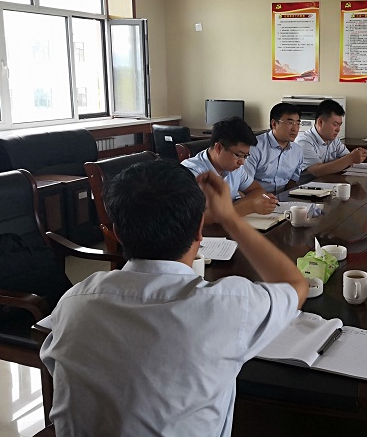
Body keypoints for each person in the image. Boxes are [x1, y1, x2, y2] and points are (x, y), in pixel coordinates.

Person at [40, 160, 308, 436]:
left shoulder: (75, 301)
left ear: (117, 234)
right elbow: (295, 285)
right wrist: (229, 218)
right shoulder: (229, 305)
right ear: (199, 230)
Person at [181, 116, 278, 217]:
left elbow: (258, 191)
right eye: (239, 155)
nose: (242, 162)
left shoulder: (234, 167)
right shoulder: (191, 173)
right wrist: (248, 207)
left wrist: (240, 207)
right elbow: (199, 219)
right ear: (219, 148)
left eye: (246, 156)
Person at [297, 99, 367, 179]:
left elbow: (346, 159)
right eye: (335, 124)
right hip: (307, 185)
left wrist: (354, 156)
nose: (338, 129)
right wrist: (350, 158)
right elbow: (317, 171)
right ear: (320, 122)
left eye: (339, 125)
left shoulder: (334, 140)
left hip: (328, 182)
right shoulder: (304, 142)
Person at [244, 103, 304, 194]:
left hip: (282, 199)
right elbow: (245, 184)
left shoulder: (297, 150)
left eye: (298, 123)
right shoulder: (254, 147)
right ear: (274, 124)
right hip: (256, 197)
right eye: (290, 123)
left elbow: (291, 182)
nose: (295, 129)